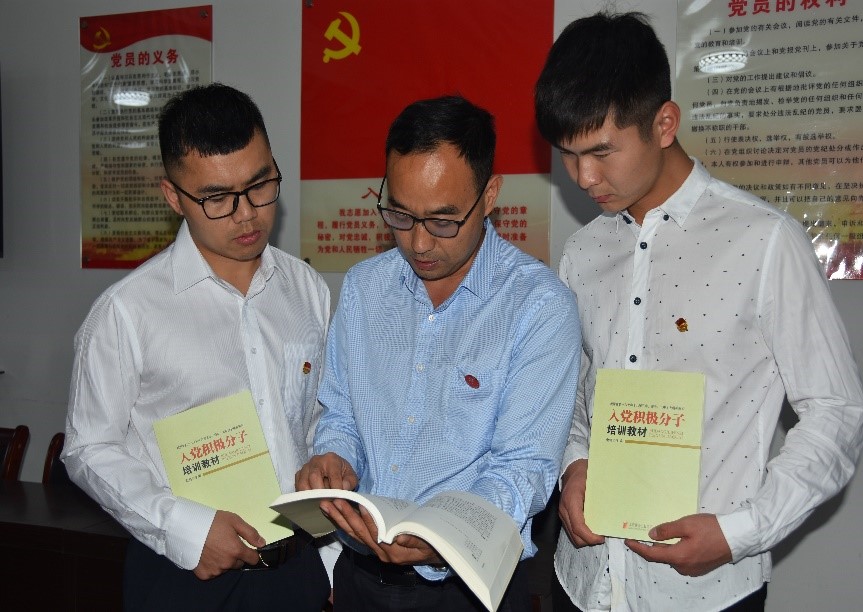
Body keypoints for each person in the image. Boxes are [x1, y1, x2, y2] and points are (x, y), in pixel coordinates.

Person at [534, 11, 863, 612]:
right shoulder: (583, 252)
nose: (583, 176)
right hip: (584, 583)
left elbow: (837, 412)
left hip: (705, 593)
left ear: (664, 124)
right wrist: (574, 464)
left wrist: (742, 531)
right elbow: (575, 394)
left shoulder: (763, 241)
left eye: (601, 151)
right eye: (568, 154)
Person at [295, 95, 581, 611]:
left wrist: (446, 537)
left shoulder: (537, 305)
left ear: (489, 195)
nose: (419, 243)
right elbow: (342, 413)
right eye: (400, 216)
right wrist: (334, 456)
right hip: (361, 578)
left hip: (468, 590)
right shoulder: (364, 288)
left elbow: (525, 466)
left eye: (443, 221)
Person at [63, 83, 332, 611]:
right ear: (173, 197)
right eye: (216, 198)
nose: (246, 214)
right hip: (186, 573)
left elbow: (314, 421)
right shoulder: (127, 311)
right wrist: (184, 528)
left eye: (260, 185)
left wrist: (330, 556)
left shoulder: (306, 289)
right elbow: (88, 448)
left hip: (298, 566)